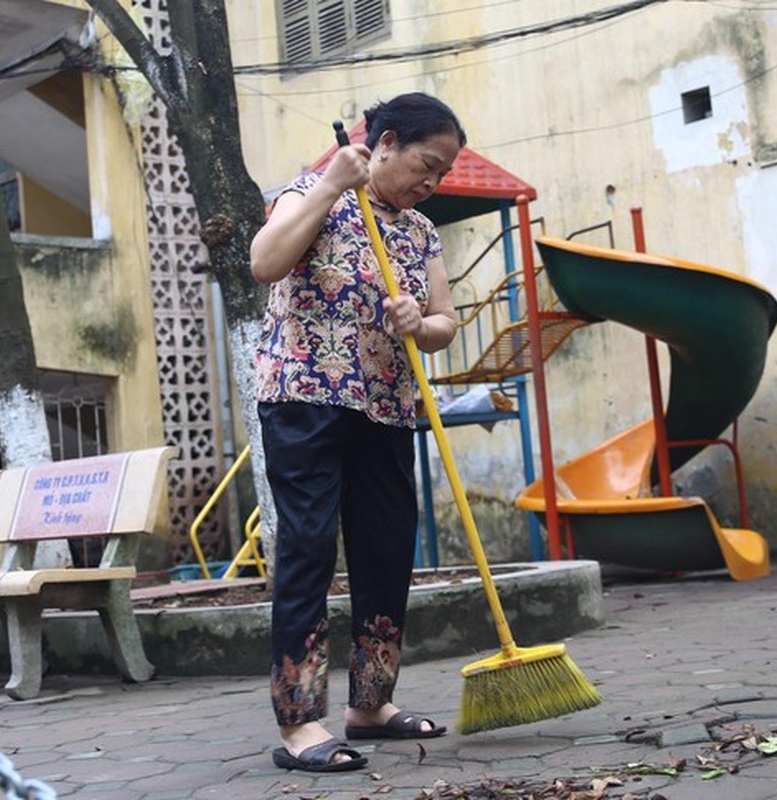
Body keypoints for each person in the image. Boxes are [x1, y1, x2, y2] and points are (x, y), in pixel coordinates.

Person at [249, 92, 466, 773]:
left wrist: (418, 324)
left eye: (442, 174)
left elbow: (445, 322)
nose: (430, 182)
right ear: (388, 143)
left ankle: (369, 706)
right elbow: (265, 261)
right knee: (311, 547)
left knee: (386, 550)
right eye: (425, 165)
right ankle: (300, 722)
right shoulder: (312, 191)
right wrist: (331, 186)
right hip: (305, 398)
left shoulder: (420, 232)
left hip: (386, 404)